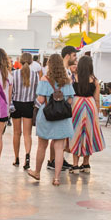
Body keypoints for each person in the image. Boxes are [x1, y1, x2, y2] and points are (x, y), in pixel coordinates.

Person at [28, 53, 75, 186]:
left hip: (47, 116)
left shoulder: (45, 79)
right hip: (62, 118)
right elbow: (71, 99)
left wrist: (37, 104)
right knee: (59, 148)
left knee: (42, 146)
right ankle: (56, 179)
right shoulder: (67, 80)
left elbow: (41, 99)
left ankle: (37, 172)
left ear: (49, 65)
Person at [68, 53, 104, 172]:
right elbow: (97, 98)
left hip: (76, 105)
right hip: (90, 106)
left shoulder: (73, 78)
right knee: (89, 133)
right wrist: (97, 112)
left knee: (76, 133)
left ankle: (75, 165)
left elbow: (69, 94)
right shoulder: (94, 80)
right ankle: (86, 164)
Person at [9, 51, 40, 170]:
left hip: (16, 105)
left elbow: (10, 92)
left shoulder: (13, 74)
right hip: (29, 105)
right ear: (31, 61)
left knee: (17, 133)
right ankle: (27, 157)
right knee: (27, 134)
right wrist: (35, 105)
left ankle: (16, 158)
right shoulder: (35, 75)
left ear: (20, 61)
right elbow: (37, 92)